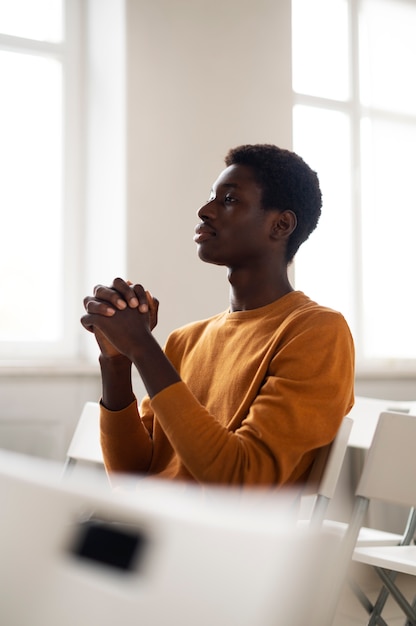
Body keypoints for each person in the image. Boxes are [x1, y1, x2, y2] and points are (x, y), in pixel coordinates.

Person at [81, 143, 354, 488]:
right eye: (211, 196)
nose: (204, 210)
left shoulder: (316, 332)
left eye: (228, 200)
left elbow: (242, 480)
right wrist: (118, 360)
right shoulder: (186, 340)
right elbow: (130, 480)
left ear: (281, 225)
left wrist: (143, 348)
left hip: (223, 540)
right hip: (152, 528)